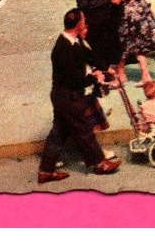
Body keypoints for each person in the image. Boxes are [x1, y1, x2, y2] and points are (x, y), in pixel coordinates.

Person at [37, 9, 120, 184]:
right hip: (68, 96)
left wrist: (107, 68)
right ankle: (99, 163)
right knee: (84, 130)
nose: (85, 22)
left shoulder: (75, 40)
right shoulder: (62, 48)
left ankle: (45, 171)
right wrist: (93, 77)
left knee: (58, 134)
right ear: (78, 24)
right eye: (83, 20)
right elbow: (73, 79)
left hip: (64, 97)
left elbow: (90, 56)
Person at [74, 0, 121, 78]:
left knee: (91, 46)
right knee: (105, 45)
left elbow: (82, 1)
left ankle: (99, 74)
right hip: (109, 17)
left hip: (93, 17)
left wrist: (81, 19)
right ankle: (109, 72)